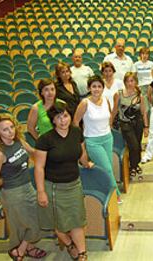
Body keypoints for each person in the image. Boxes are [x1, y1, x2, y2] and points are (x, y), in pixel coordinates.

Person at [34, 102, 93, 261]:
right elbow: (39, 167)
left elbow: (81, 152)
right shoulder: (45, 139)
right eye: (58, 117)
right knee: (58, 224)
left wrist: (87, 163)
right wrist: (41, 192)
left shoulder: (76, 132)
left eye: (65, 116)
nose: (63, 120)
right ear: (53, 120)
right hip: (53, 187)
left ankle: (82, 253)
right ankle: (69, 244)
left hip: (74, 184)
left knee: (77, 221)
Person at [0, 113, 47, 261]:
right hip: (13, 193)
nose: (10, 131)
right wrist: (6, 179)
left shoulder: (19, 140)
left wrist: (49, 152)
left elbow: (33, 153)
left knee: (35, 219)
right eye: (5, 129)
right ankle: (21, 250)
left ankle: (24, 248)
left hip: (28, 186)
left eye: (12, 127)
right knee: (28, 223)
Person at [73, 75, 122, 203]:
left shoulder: (106, 100)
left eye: (99, 86)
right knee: (107, 168)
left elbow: (110, 116)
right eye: (94, 86)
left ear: (103, 88)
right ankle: (115, 195)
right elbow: (75, 122)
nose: (97, 89)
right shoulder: (85, 103)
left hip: (107, 138)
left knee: (108, 167)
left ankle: (106, 191)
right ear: (89, 88)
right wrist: (80, 140)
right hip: (92, 141)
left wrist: (108, 128)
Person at [117, 72, 149, 177]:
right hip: (126, 124)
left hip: (138, 123)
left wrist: (146, 127)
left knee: (137, 145)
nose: (130, 83)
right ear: (124, 82)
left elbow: (143, 112)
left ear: (136, 82)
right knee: (133, 145)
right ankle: (132, 166)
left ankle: (135, 165)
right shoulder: (119, 94)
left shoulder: (140, 95)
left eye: (132, 81)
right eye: (127, 81)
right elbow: (114, 111)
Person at [101, 61, 124, 127]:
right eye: (105, 71)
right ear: (102, 72)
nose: (108, 73)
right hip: (103, 113)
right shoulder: (99, 84)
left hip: (117, 114)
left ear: (113, 71)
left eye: (110, 71)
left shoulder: (119, 83)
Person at [134, 47, 153, 113]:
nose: (145, 55)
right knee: (145, 108)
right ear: (140, 55)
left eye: (146, 54)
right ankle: (146, 122)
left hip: (150, 86)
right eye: (143, 54)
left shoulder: (151, 64)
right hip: (141, 87)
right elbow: (134, 77)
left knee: (152, 106)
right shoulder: (136, 64)